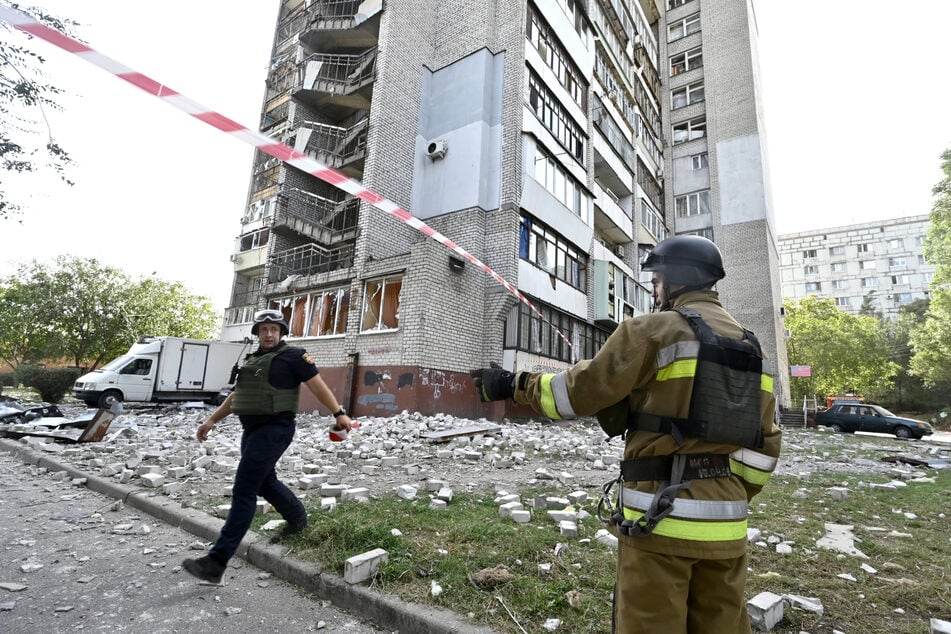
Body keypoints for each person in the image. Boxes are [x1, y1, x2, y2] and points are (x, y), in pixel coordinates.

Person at [471, 235, 782, 632]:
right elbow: (766, 448)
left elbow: (575, 395)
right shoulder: (756, 352)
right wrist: (725, 490)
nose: (654, 290)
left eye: (656, 281)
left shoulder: (653, 330)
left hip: (659, 522)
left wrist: (511, 383)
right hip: (728, 528)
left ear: (672, 281)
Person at [182, 309, 353, 584]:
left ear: (282, 332)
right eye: (264, 329)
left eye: (274, 329)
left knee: (245, 488)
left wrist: (339, 412)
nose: (269, 334)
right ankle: (297, 520)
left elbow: (317, 385)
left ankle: (216, 563)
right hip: (251, 430)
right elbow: (240, 394)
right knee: (263, 481)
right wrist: (212, 419)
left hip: (276, 429)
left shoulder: (294, 356)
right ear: (257, 333)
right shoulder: (254, 359)